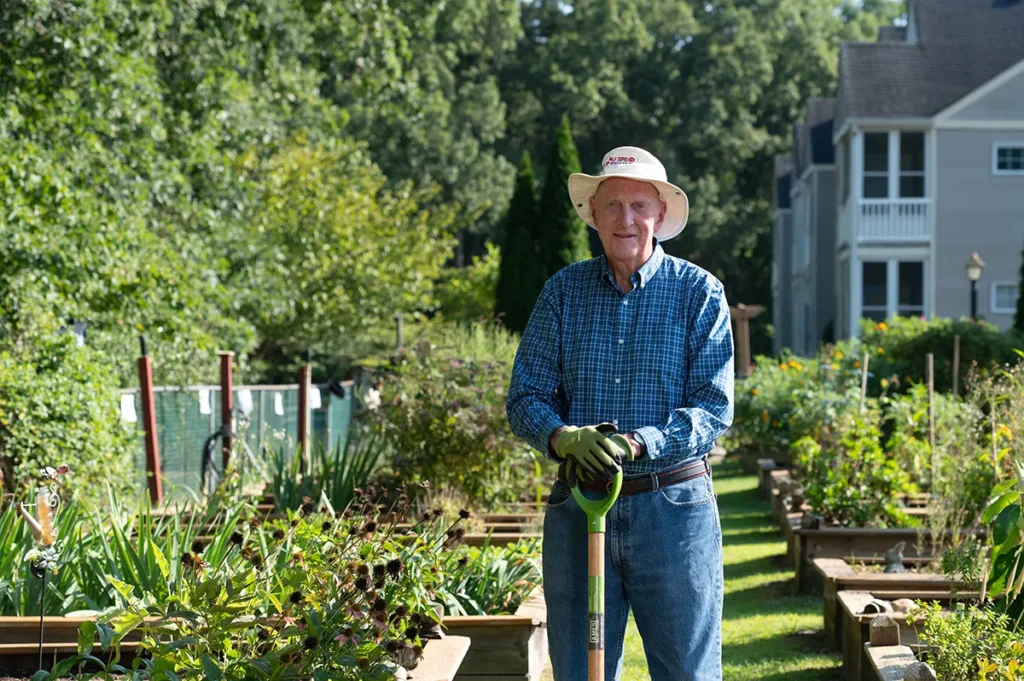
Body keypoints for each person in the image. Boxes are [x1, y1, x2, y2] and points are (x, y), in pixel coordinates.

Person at [506, 146, 735, 681]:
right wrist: (563, 437)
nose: (625, 219)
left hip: (673, 511)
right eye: (611, 205)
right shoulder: (562, 292)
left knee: (688, 672)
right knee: (579, 672)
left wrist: (637, 443)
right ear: (594, 215)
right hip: (580, 507)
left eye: (638, 205)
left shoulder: (698, 292)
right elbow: (525, 397)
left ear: (659, 215)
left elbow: (713, 407)